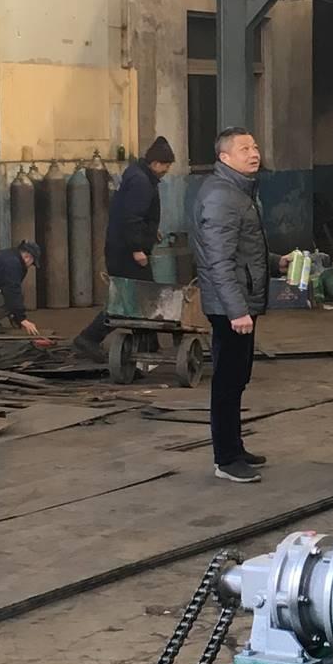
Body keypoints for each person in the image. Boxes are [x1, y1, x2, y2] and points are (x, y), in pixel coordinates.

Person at [193, 127, 269, 484]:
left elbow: (244, 249)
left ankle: (235, 448)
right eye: (244, 149)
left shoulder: (239, 191)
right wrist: (237, 310)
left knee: (237, 378)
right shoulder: (221, 197)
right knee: (227, 381)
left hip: (238, 298)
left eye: (254, 146)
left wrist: (277, 261)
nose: (253, 153)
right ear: (225, 158)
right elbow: (219, 261)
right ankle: (225, 459)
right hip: (229, 305)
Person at [72, 136, 176, 356]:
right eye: (166, 165)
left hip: (120, 248)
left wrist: (151, 231)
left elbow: (130, 213)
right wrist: (137, 249)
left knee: (139, 299)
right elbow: (131, 218)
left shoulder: (137, 174)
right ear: (155, 163)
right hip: (127, 253)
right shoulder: (141, 182)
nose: (167, 170)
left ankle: (148, 347)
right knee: (131, 300)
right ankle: (89, 338)